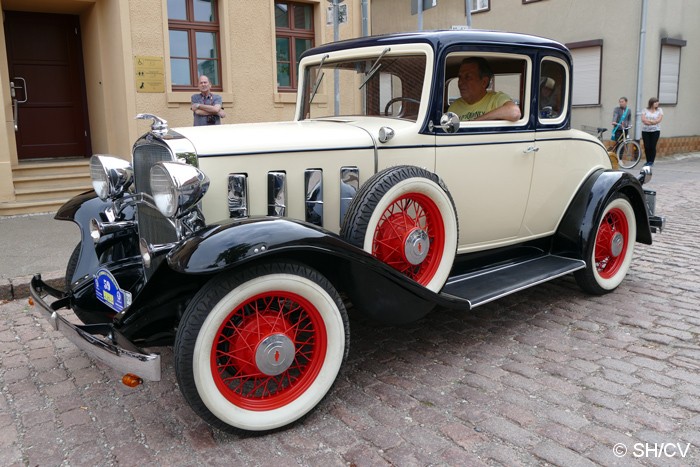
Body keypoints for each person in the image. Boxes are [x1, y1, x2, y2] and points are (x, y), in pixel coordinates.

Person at [447, 58, 521, 122]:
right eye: (460, 77)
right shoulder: (454, 107)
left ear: (484, 82)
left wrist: (476, 122)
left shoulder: (496, 99)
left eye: (468, 77)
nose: (460, 82)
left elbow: (514, 112)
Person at [641, 97, 663, 166]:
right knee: (647, 146)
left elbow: (658, 120)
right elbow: (643, 120)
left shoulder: (660, 110)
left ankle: (651, 161)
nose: (657, 103)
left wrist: (650, 121)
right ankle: (648, 161)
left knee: (652, 146)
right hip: (645, 131)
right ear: (651, 103)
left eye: (657, 102)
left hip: (655, 131)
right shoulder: (645, 110)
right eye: (655, 102)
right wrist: (653, 121)